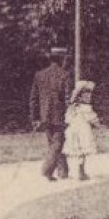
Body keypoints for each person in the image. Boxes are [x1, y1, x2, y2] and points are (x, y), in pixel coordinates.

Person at [30, 47, 72, 182]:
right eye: (65, 58)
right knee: (57, 144)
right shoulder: (65, 75)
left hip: (44, 116)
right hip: (60, 116)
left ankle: (63, 171)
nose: (66, 61)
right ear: (61, 59)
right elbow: (67, 98)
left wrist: (34, 118)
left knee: (53, 143)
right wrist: (71, 115)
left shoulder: (39, 75)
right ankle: (47, 170)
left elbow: (34, 99)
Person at [63, 80, 100, 181]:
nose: (89, 97)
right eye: (87, 95)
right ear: (80, 96)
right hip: (83, 131)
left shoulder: (72, 108)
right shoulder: (86, 108)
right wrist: (98, 125)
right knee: (83, 151)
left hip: (73, 130)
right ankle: (81, 171)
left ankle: (80, 171)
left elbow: (67, 119)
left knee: (78, 150)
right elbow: (93, 119)